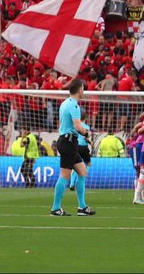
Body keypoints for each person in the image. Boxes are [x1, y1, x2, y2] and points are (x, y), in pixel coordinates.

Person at [51, 78, 95, 216]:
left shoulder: (64, 103)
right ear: (80, 89)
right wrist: (87, 134)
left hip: (67, 141)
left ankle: (82, 207)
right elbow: (78, 126)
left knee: (82, 172)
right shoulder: (74, 106)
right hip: (68, 142)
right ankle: (55, 208)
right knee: (65, 175)